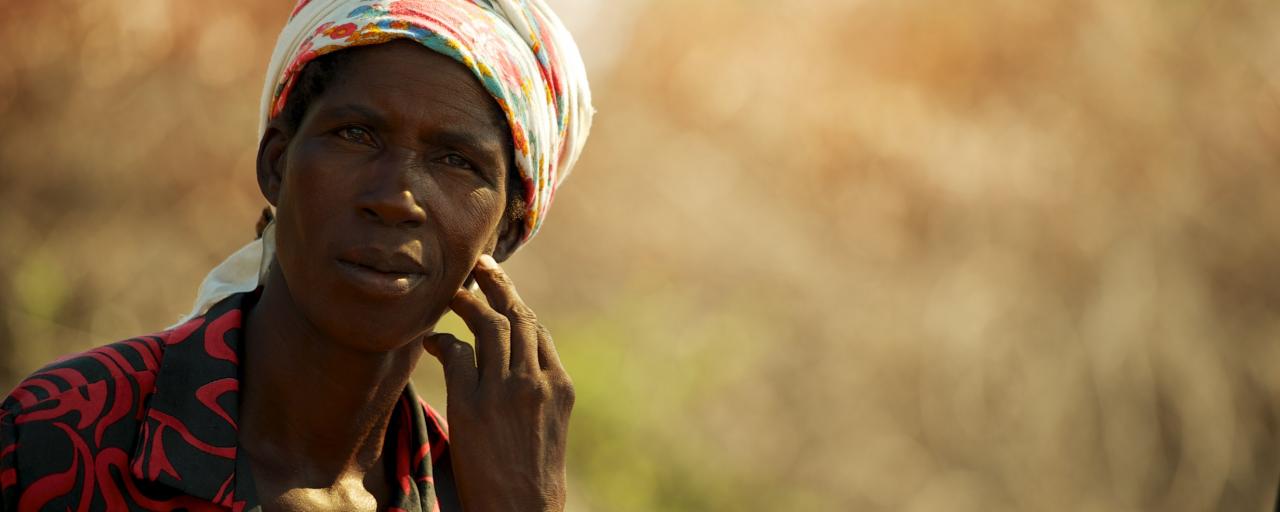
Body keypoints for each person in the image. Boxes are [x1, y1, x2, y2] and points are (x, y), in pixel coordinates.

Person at [0, 0, 593, 510]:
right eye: (355, 134)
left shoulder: (479, 492)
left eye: (456, 161)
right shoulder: (65, 437)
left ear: (508, 232)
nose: (395, 199)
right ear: (277, 163)